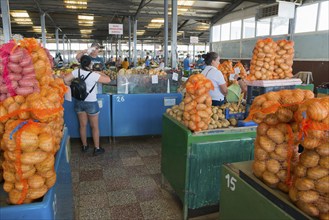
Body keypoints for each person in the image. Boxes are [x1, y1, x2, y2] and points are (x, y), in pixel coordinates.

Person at [64, 55, 111, 156]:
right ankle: (97, 148)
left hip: (79, 102)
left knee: (82, 125)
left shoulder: (77, 72)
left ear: (81, 63)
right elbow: (108, 80)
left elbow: (65, 80)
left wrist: (71, 85)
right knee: (94, 127)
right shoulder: (93, 75)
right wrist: (99, 72)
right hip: (91, 103)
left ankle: (84, 146)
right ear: (90, 63)